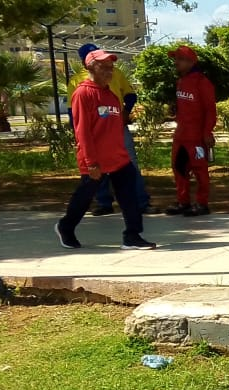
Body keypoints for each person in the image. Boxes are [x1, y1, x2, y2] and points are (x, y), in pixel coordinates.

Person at [56, 49, 156, 250]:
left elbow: (114, 126)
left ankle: (132, 236)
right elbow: (82, 130)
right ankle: (66, 226)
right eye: (104, 66)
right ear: (90, 67)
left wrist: (121, 151)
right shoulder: (83, 93)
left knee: (129, 195)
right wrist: (91, 161)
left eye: (111, 67)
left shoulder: (110, 94)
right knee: (85, 197)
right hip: (95, 159)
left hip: (118, 157)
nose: (109, 71)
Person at [164, 45, 216, 217]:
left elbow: (210, 110)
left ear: (190, 62)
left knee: (200, 170)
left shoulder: (203, 83)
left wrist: (207, 132)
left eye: (179, 59)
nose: (176, 63)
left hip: (196, 137)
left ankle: (202, 204)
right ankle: (183, 201)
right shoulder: (181, 81)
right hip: (181, 136)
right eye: (175, 59)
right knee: (179, 168)